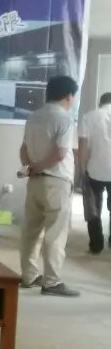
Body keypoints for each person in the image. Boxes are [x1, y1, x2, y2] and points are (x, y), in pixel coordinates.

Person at [19, 75, 80, 298]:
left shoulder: (33, 117)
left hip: (35, 182)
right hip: (57, 182)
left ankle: (29, 276)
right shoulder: (64, 119)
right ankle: (52, 282)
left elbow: (23, 149)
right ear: (69, 96)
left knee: (31, 230)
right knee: (55, 233)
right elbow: (60, 153)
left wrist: (31, 167)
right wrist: (40, 166)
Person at [79, 92, 111, 254]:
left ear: (100, 103)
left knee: (93, 208)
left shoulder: (89, 117)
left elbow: (83, 145)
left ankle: (96, 245)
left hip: (94, 169)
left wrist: (82, 168)